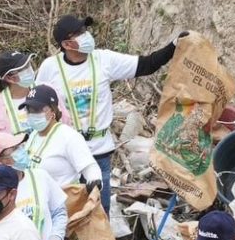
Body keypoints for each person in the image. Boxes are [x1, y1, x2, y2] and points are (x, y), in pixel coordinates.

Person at [36, 14, 185, 212]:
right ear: (66, 44)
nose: (86, 35)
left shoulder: (103, 59)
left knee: (100, 210)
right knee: (67, 209)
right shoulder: (50, 67)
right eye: (79, 33)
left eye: (85, 30)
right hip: (66, 152)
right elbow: (37, 104)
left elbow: (146, 64)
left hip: (99, 150)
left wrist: (174, 45)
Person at [22, 85, 103, 192]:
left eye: (37, 110)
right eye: (29, 110)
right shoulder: (34, 135)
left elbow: (89, 167)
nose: (32, 114)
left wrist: (95, 182)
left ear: (52, 110)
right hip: (37, 198)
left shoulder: (68, 136)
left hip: (64, 199)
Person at [0, 50, 36, 137]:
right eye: (22, 69)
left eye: (28, 65)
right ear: (10, 78)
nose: (29, 69)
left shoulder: (45, 89)